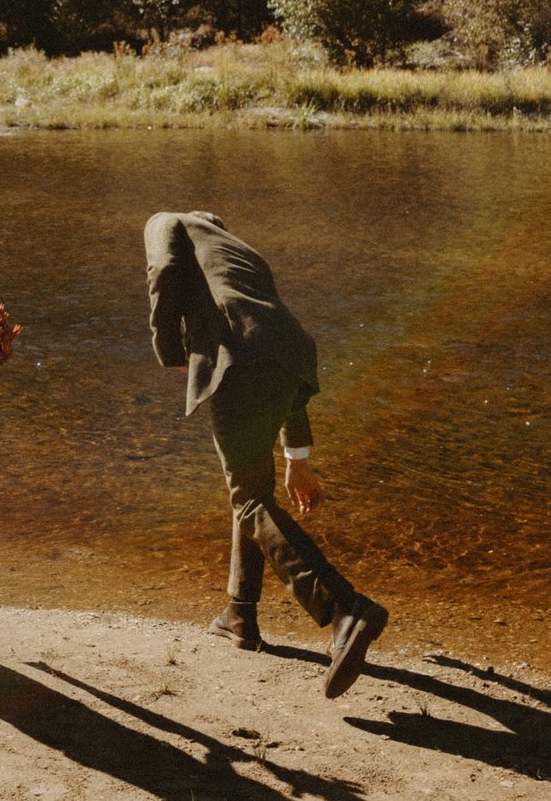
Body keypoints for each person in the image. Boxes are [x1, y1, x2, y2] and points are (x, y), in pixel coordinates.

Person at [144, 209, 386, 698]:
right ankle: (240, 615)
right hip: (291, 352)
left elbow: (163, 272)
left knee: (249, 501)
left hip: (237, 358)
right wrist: (298, 460)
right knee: (253, 490)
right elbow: (271, 337)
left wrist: (170, 353)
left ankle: (344, 610)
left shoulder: (165, 222)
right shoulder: (241, 254)